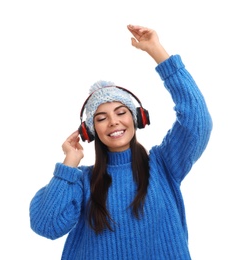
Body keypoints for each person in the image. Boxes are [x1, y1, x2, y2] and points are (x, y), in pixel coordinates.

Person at [29, 24, 212, 260]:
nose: (114, 122)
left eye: (121, 112)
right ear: (90, 131)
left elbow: (197, 120)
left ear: (138, 118)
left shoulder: (164, 164)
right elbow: (46, 225)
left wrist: (157, 51)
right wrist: (68, 165)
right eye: (102, 118)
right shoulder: (81, 181)